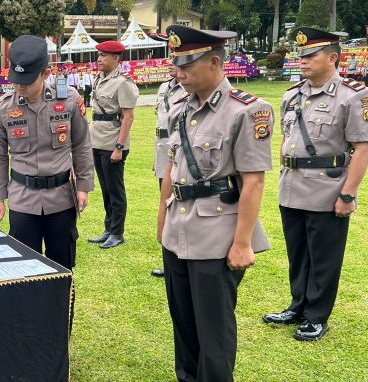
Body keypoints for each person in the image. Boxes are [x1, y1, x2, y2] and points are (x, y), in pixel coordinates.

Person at [156, 25, 273, 382]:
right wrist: (161, 225)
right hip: (177, 231)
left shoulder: (246, 111)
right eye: (176, 65)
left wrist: (242, 243)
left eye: (186, 65)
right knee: (183, 324)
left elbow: (253, 182)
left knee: (214, 331)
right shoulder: (179, 108)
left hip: (216, 235)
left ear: (215, 62)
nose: (178, 73)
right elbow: (171, 170)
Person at [263, 27, 368, 341]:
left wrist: (348, 194)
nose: (303, 60)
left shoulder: (352, 96)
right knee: (298, 254)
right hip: (292, 186)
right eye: (302, 55)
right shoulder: (292, 95)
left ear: (333, 58)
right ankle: (297, 306)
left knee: (324, 258)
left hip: (327, 188)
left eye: (311, 55)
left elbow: (362, 147)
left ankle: (317, 316)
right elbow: (286, 139)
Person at [0, 35, 94, 270]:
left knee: (61, 268)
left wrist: (83, 186)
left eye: (27, 81)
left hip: (62, 199)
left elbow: (81, 144)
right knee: (25, 270)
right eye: (16, 80)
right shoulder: (0, 110)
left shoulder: (69, 99)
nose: (20, 86)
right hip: (23, 200)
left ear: (45, 74)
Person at [86, 40, 138, 249]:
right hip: (97, 139)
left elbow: (128, 117)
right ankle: (108, 229)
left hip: (113, 143)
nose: (99, 59)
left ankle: (117, 233)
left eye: (103, 56)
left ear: (116, 58)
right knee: (106, 190)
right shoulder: (100, 78)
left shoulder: (123, 82)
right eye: (99, 55)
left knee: (115, 191)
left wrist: (119, 147)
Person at [151, 58, 183, 278]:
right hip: (164, 150)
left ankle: (180, 256)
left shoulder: (189, 88)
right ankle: (170, 259)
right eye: (169, 59)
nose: (170, 63)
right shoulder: (164, 87)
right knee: (167, 205)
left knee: (180, 205)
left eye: (176, 60)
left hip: (180, 151)